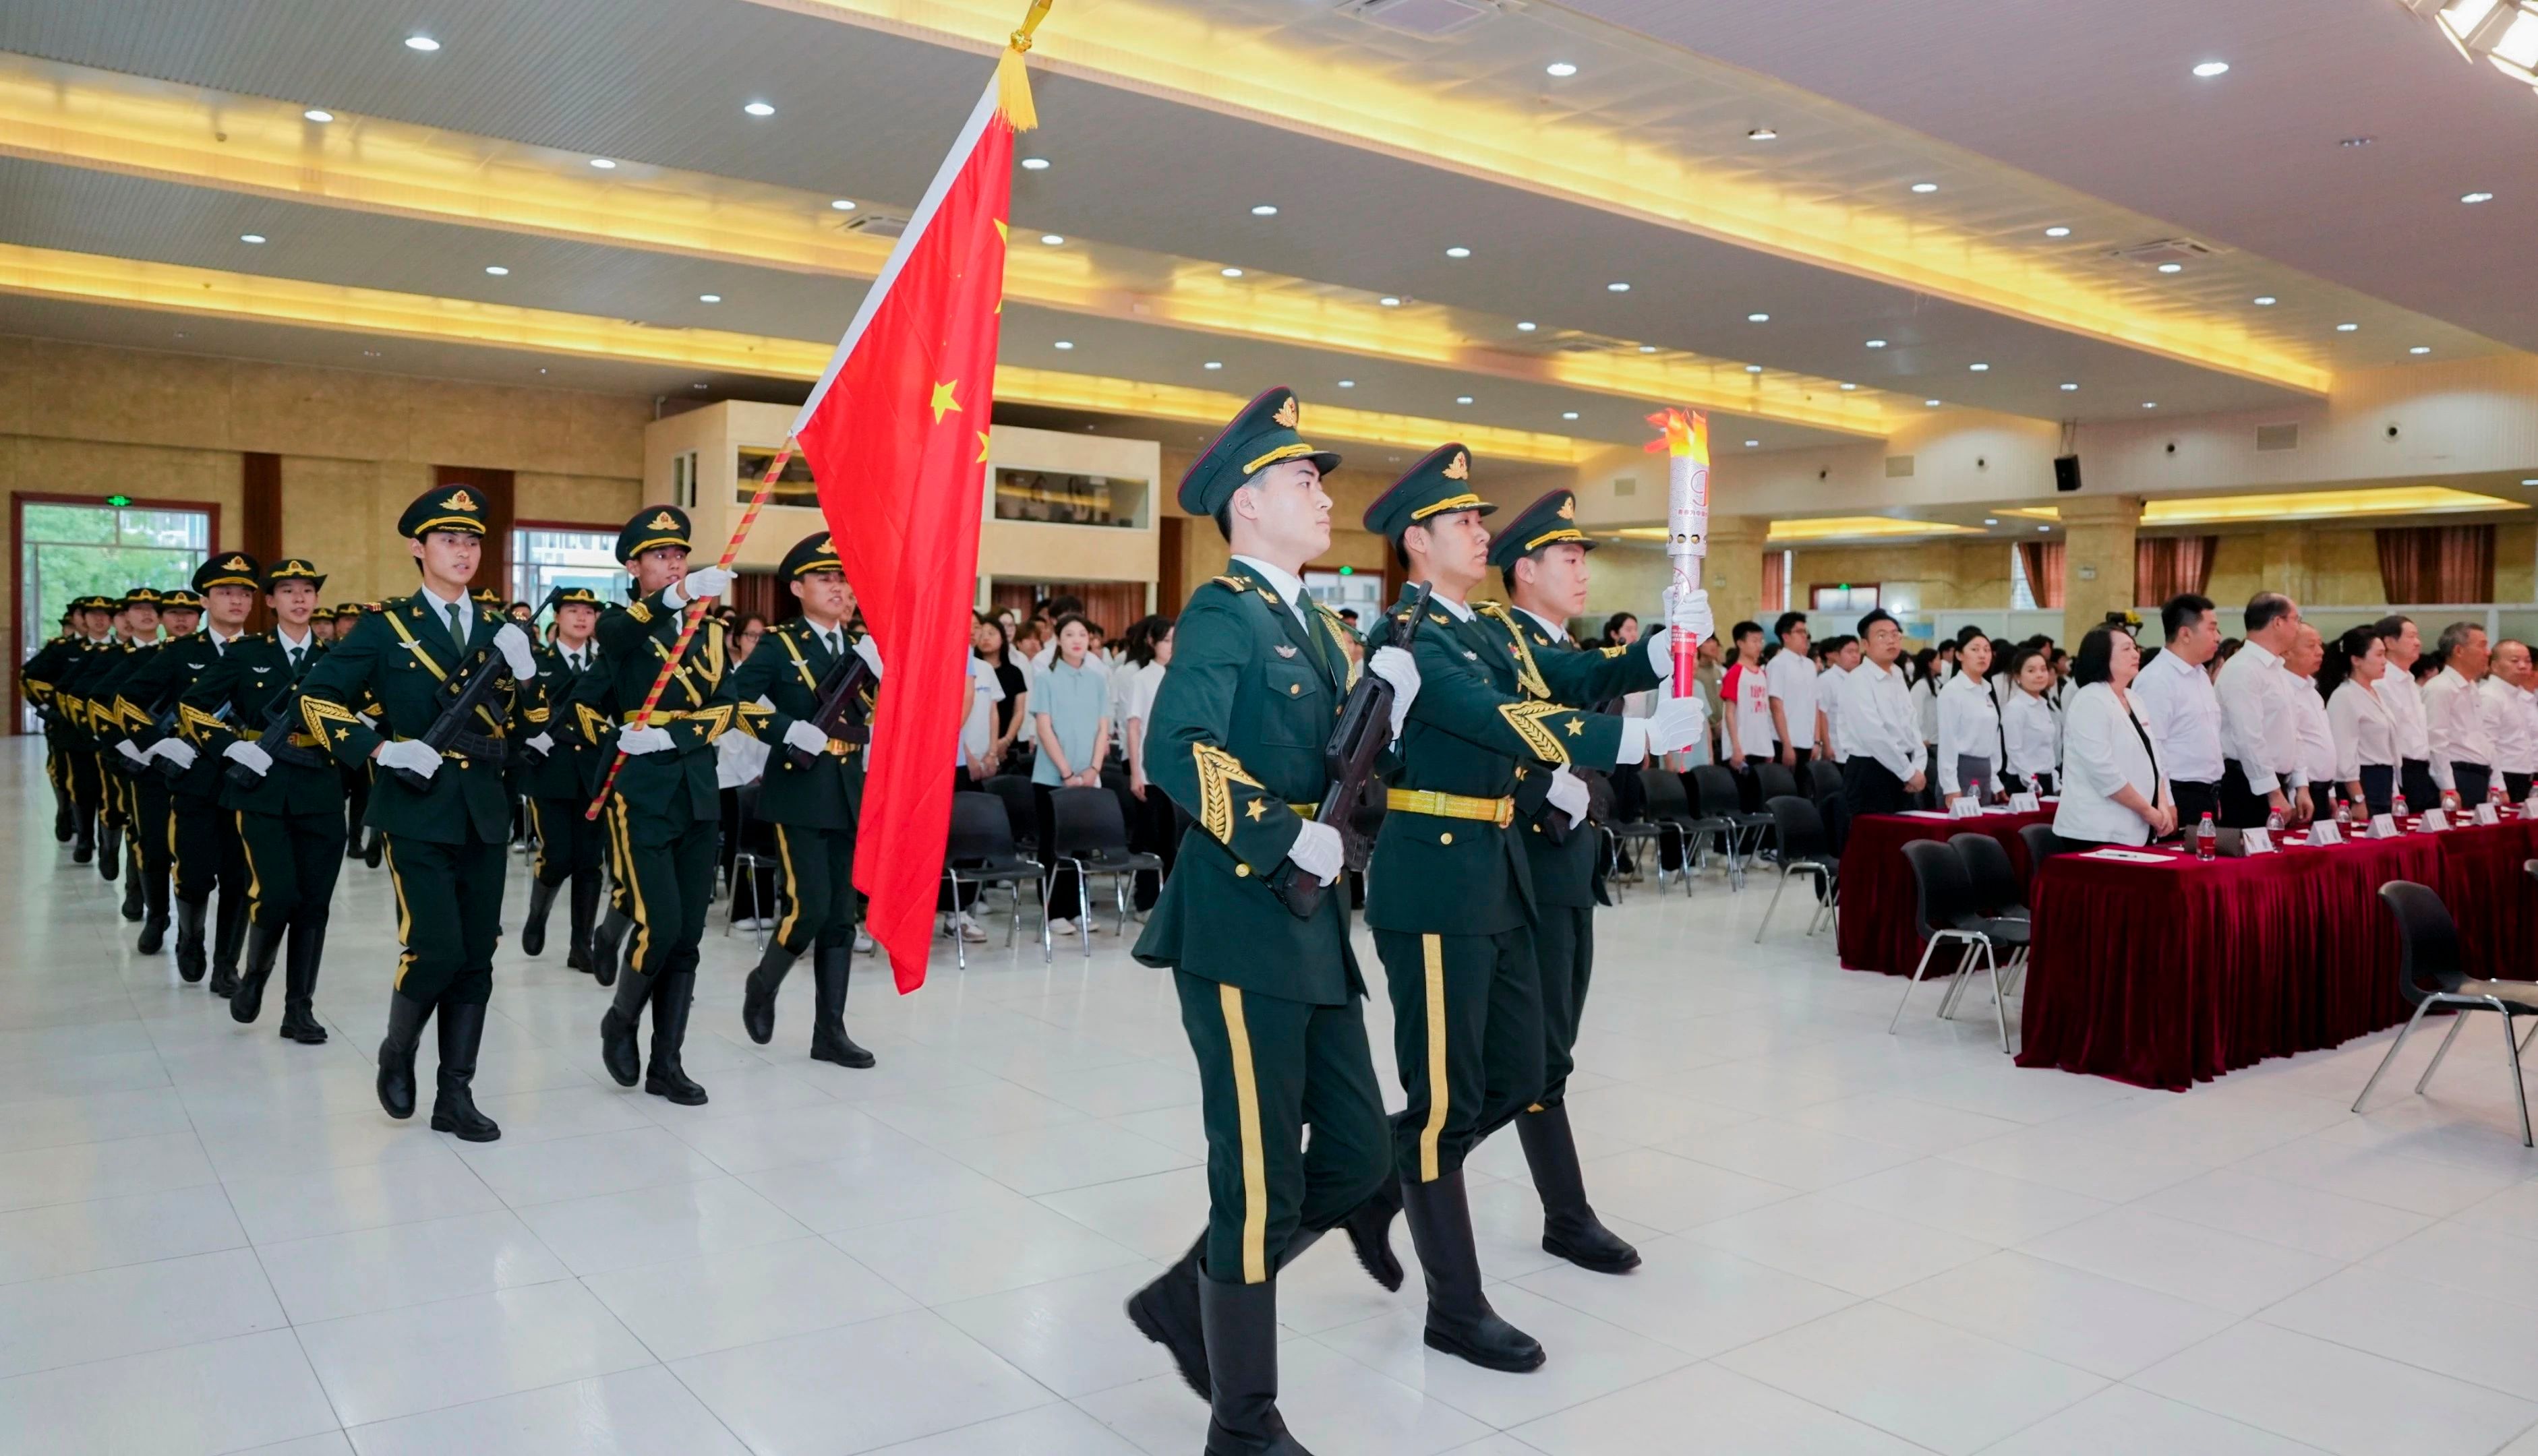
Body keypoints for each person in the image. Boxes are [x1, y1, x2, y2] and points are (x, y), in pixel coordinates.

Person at [1358, 444, 1705, 1375]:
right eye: (1464, 521)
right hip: (1434, 880)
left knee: (1522, 1071)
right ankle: (1454, 1308)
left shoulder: (1487, 630)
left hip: (1495, 872)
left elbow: (1565, 677)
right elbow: (1497, 719)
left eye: (1481, 519)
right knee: (1444, 1103)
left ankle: (1386, 1174)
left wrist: (1657, 646)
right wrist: (1635, 739)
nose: (1482, 532)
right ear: (1417, 540)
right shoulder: (1409, 633)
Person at [1120, 388, 1401, 1455]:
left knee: (1359, 1156)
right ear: (1246, 503)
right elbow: (1176, 747)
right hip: (1242, 920)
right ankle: (1242, 1423)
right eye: (1303, 480)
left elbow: (1347, 767)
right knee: (1259, 1175)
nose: (1324, 498)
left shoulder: (1319, 626)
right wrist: (1282, 834)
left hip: (1313, 926)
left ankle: (1183, 1300)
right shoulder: (1224, 610)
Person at [1489, 487, 1695, 1280]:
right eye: (1567, 558)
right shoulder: (1497, 644)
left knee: (1547, 1050)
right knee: (1530, 1056)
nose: (1581, 572)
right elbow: (1490, 741)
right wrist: (1543, 790)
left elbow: (1587, 708)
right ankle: (1562, 1214)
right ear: (1523, 569)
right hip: (1518, 866)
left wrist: (1663, 646)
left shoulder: (1563, 648)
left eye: (1583, 559)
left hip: (1569, 862)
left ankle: (1553, 1212)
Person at [296, 488, 537, 1141]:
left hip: (484, 809)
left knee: (477, 956)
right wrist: (379, 749)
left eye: (472, 541)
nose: (464, 552)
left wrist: (528, 673)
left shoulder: (499, 628)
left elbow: (530, 721)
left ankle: (455, 1094)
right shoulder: (385, 627)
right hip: (416, 808)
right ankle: (397, 1049)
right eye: (449, 540)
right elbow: (315, 699)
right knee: (435, 949)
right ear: (417, 548)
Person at [587, 506, 747, 1105]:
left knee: (687, 939)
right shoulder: (621, 623)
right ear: (634, 568)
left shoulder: (708, 632)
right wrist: (676, 596)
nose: (675, 564)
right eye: (660, 556)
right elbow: (616, 639)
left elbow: (725, 705)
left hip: (698, 788)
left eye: (680, 555)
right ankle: (621, 1019)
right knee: (662, 924)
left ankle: (667, 1063)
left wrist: (674, 736)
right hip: (642, 792)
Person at [719, 531, 879, 1070]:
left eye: (843, 580)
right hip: (800, 790)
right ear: (797, 587)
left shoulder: (858, 647)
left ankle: (830, 1032)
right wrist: (785, 729)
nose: (838, 589)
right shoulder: (779, 645)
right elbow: (733, 700)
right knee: (808, 907)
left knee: (841, 917)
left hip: (847, 789)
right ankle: (763, 983)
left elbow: (872, 712)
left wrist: (881, 673)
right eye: (825, 579)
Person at [176, 557, 342, 1039]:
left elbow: (367, 709)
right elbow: (192, 706)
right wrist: (230, 746)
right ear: (270, 601)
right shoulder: (248, 654)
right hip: (262, 788)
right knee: (276, 895)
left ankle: (299, 1009)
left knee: (314, 904)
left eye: (307, 590)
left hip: (321, 788)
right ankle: (254, 976)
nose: (299, 598)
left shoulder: (336, 658)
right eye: (288, 590)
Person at [129, 558, 265, 992]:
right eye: (225, 593)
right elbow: (126, 701)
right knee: (194, 872)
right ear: (205, 601)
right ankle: (191, 937)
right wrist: (156, 742)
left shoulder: (264, 652)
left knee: (240, 876)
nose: (236, 601)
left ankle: (227, 965)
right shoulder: (180, 653)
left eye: (244, 594)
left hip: (247, 782)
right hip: (194, 779)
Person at [101, 587, 202, 954]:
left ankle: (192, 932)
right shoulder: (142, 659)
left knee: (196, 854)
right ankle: (157, 915)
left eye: (189, 614)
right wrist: (134, 746)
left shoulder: (214, 658)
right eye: (173, 613)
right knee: (153, 845)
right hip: (152, 766)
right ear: (161, 619)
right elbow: (103, 702)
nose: (181, 620)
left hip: (198, 766)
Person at [517, 586, 608, 975]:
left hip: (593, 772)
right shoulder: (539, 662)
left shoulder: (605, 664)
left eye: (588, 611)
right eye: (573, 610)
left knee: (590, 862)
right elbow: (523, 711)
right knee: (558, 856)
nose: (582, 618)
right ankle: (538, 914)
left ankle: (581, 945)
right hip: (550, 771)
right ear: (557, 617)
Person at [2053, 627, 2175, 847]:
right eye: (2127, 649)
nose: (2136, 654)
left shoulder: (2134, 699)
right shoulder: (2091, 700)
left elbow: (2155, 760)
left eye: (2135, 648)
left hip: (2136, 825)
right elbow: (2103, 771)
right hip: (2096, 830)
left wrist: (2162, 805)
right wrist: (2148, 811)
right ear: (2102, 656)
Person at [1031, 612, 1112, 937]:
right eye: (1069, 635)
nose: (1077, 640)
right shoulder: (1047, 678)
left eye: (1082, 634)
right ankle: (1054, 911)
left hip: (1088, 777)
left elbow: (1103, 728)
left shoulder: (1097, 679)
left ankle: (1078, 909)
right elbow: (1044, 727)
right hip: (1052, 778)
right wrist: (1066, 772)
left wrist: (1094, 769)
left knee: (1081, 846)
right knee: (1054, 845)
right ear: (1058, 640)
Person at [2131, 593, 2225, 831]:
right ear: (2185, 634)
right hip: (2178, 793)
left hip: (2207, 793)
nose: (2218, 637)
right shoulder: (2157, 679)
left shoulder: (2200, 675)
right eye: (2212, 629)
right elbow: (2154, 747)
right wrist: (2168, 802)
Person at [2213, 593, 2308, 828]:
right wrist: (2273, 793)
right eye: (2296, 619)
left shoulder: (2277, 669)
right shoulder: (2243, 668)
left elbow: (2292, 731)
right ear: (2277, 622)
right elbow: (2249, 738)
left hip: (2276, 783)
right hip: (2248, 785)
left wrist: (2300, 785)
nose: (2299, 627)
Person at [1837, 609, 1926, 816]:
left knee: (1905, 833)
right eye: (1881, 636)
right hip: (1871, 771)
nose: (1891, 641)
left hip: (1903, 768)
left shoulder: (1897, 674)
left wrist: (1918, 767)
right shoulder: (1858, 680)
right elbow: (1873, 735)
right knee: (1875, 834)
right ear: (1865, 644)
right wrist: (1908, 772)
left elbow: (1911, 723)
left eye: (1895, 635)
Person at [1119, 613, 1177, 911]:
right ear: (1152, 642)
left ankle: (1171, 903)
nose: (1172, 646)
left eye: (1176, 641)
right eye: (1166, 641)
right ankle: (1146, 902)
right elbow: (1134, 727)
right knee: (1150, 839)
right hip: (1149, 772)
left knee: (1173, 840)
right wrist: (1136, 772)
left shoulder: (1182, 677)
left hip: (1177, 773)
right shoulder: (1141, 678)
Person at [2322, 625, 2398, 814]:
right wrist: (2357, 798)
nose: (2385, 661)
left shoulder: (2376, 692)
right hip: (2363, 782)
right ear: (2356, 660)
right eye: (2379, 655)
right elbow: (2344, 753)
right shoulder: (2345, 696)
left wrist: (2394, 791)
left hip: (2384, 779)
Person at [2424, 620, 2496, 808]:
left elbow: (2483, 738)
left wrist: (2495, 783)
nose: (2488, 652)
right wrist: (2447, 787)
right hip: (2457, 775)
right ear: (2459, 651)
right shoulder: (2440, 688)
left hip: (2478, 774)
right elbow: (2436, 740)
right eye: (2482, 646)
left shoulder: (2472, 687)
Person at [2374, 614, 2438, 810]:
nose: (2418, 642)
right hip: (2399, 772)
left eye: (2417, 636)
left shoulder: (2410, 681)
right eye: (2411, 636)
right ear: (2389, 643)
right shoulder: (2380, 682)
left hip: (2422, 770)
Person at [1937, 631, 2002, 806]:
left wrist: (1995, 781)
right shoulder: (1952, 691)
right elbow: (1947, 741)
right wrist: (1950, 786)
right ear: (1959, 655)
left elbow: (1993, 738)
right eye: (1975, 649)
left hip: (1985, 770)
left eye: (1987, 650)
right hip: (1961, 770)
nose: (1982, 655)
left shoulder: (1987, 690)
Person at [2284, 624, 2340, 816]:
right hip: (2300, 791)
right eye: (2311, 646)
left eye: (2320, 645)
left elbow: (2323, 744)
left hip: (2322, 789)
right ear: (2287, 652)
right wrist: (2297, 792)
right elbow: (2292, 744)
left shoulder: (2312, 691)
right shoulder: (2284, 689)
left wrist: (2330, 792)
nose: (2320, 652)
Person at [1721, 619, 1773, 807]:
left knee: (1759, 801)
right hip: (1742, 749)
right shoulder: (1735, 673)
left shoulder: (1762, 674)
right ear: (1740, 643)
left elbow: (1765, 714)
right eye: (1754, 641)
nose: (1759, 645)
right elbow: (1729, 713)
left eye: (1761, 641)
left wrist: (1768, 747)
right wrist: (1736, 747)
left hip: (1760, 747)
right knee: (1743, 802)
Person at [2000, 645, 2061, 797]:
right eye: (2031, 671)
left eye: (2043, 669)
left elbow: (2047, 749)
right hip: (2023, 782)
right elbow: (2014, 750)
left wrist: (2055, 782)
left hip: (2046, 779)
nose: (2039, 675)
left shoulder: (2043, 705)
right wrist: (2031, 781)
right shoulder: (2015, 707)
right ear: (2018, 676)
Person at [2483, 639, 2538, 802]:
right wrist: (2497, 786)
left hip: (2526, 776)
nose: (2523, 666)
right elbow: (2487, 746)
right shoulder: (2489, 696)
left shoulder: (2519, 696)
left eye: (2528, 661)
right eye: (2515, 661)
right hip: (2504, 776)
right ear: (2494, 666)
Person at [974, 614, 1028, 775]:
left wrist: (1006, 741)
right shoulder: (972, 671)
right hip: (978, 745)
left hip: (1008, 743)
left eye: (991, 633)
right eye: (981, 634)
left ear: (1003, 639)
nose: (985, 638)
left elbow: (1019, 711)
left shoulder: (1015, 673)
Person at [1765, 610, 1819, 766]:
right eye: (1799, 632)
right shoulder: (1777, 664)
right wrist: (1787, 745)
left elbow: (1815, 704)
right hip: (1784, 742)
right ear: (1786, 636)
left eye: (1805, 632)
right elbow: (1776, 706)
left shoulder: (1810, 665)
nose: (1805, 636)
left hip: (1807, 741)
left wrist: (1817, 741)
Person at [1816, 634, 1859, 764]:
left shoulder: (1860, 679)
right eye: (1850, 652)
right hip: (1836, 749)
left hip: (1857, 750)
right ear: (1836, 655)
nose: (1855, 656)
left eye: (1857, 651)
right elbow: (1821, 713)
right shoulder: (1827, 680)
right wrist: (1827, 745)